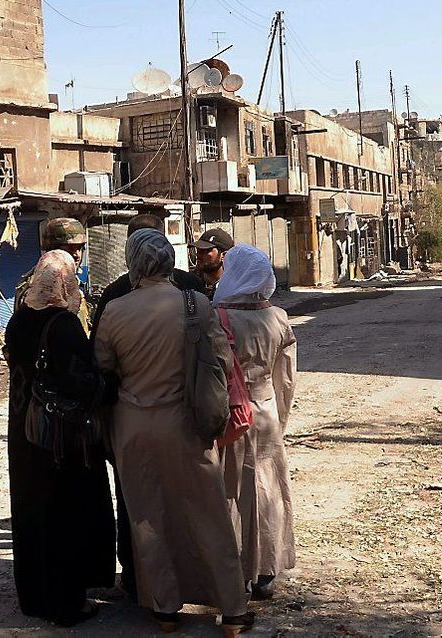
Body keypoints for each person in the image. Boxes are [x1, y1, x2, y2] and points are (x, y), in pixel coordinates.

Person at [94, 229, 254, 636]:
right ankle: (233, 609)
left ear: (132, 262)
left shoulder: (113, 310)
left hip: (133, 427)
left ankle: (165, 607)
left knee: (148, 517)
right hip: (186, 424)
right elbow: (221, 358)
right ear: (169, 261)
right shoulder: (195, 304)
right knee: (209, 514)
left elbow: (104, 368)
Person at [89, 213, 204, 601]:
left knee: (138, 504)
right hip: (189, 418)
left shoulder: (114, 298)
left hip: (133, 419)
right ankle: (198, 583)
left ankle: (144, 585)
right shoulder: (192, 291)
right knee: (192, 501)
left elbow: (101, 366)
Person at [4, 250, 117, 627]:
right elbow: (79, 381)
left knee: (31, 514)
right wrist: (112, 386)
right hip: (59, 439)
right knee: (65, 514)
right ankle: (68, 604)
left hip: (24, 433)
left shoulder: (18, 321)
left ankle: (34, 597)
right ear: (65, 283)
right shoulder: (64, 325)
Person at [213, 245, 297, 600]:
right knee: (266, 489)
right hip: (265, 412)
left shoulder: (214, 317)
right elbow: (287, 378)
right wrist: (280, 415)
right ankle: (265, 571)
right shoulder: (278, 317)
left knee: (228, 490)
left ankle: (231, 569)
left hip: (227, 414)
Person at [14, 217, 91, 331]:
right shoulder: (38, 289)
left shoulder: (73, 283)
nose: (77, 255)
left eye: (80, 248)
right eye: (70, 249)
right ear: (52, 250)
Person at [193, 228, 234, 300]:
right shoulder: (189, 282)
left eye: (205, 250)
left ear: (224, 255)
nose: (198, 254)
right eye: (198, 250)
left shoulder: (235, 288)